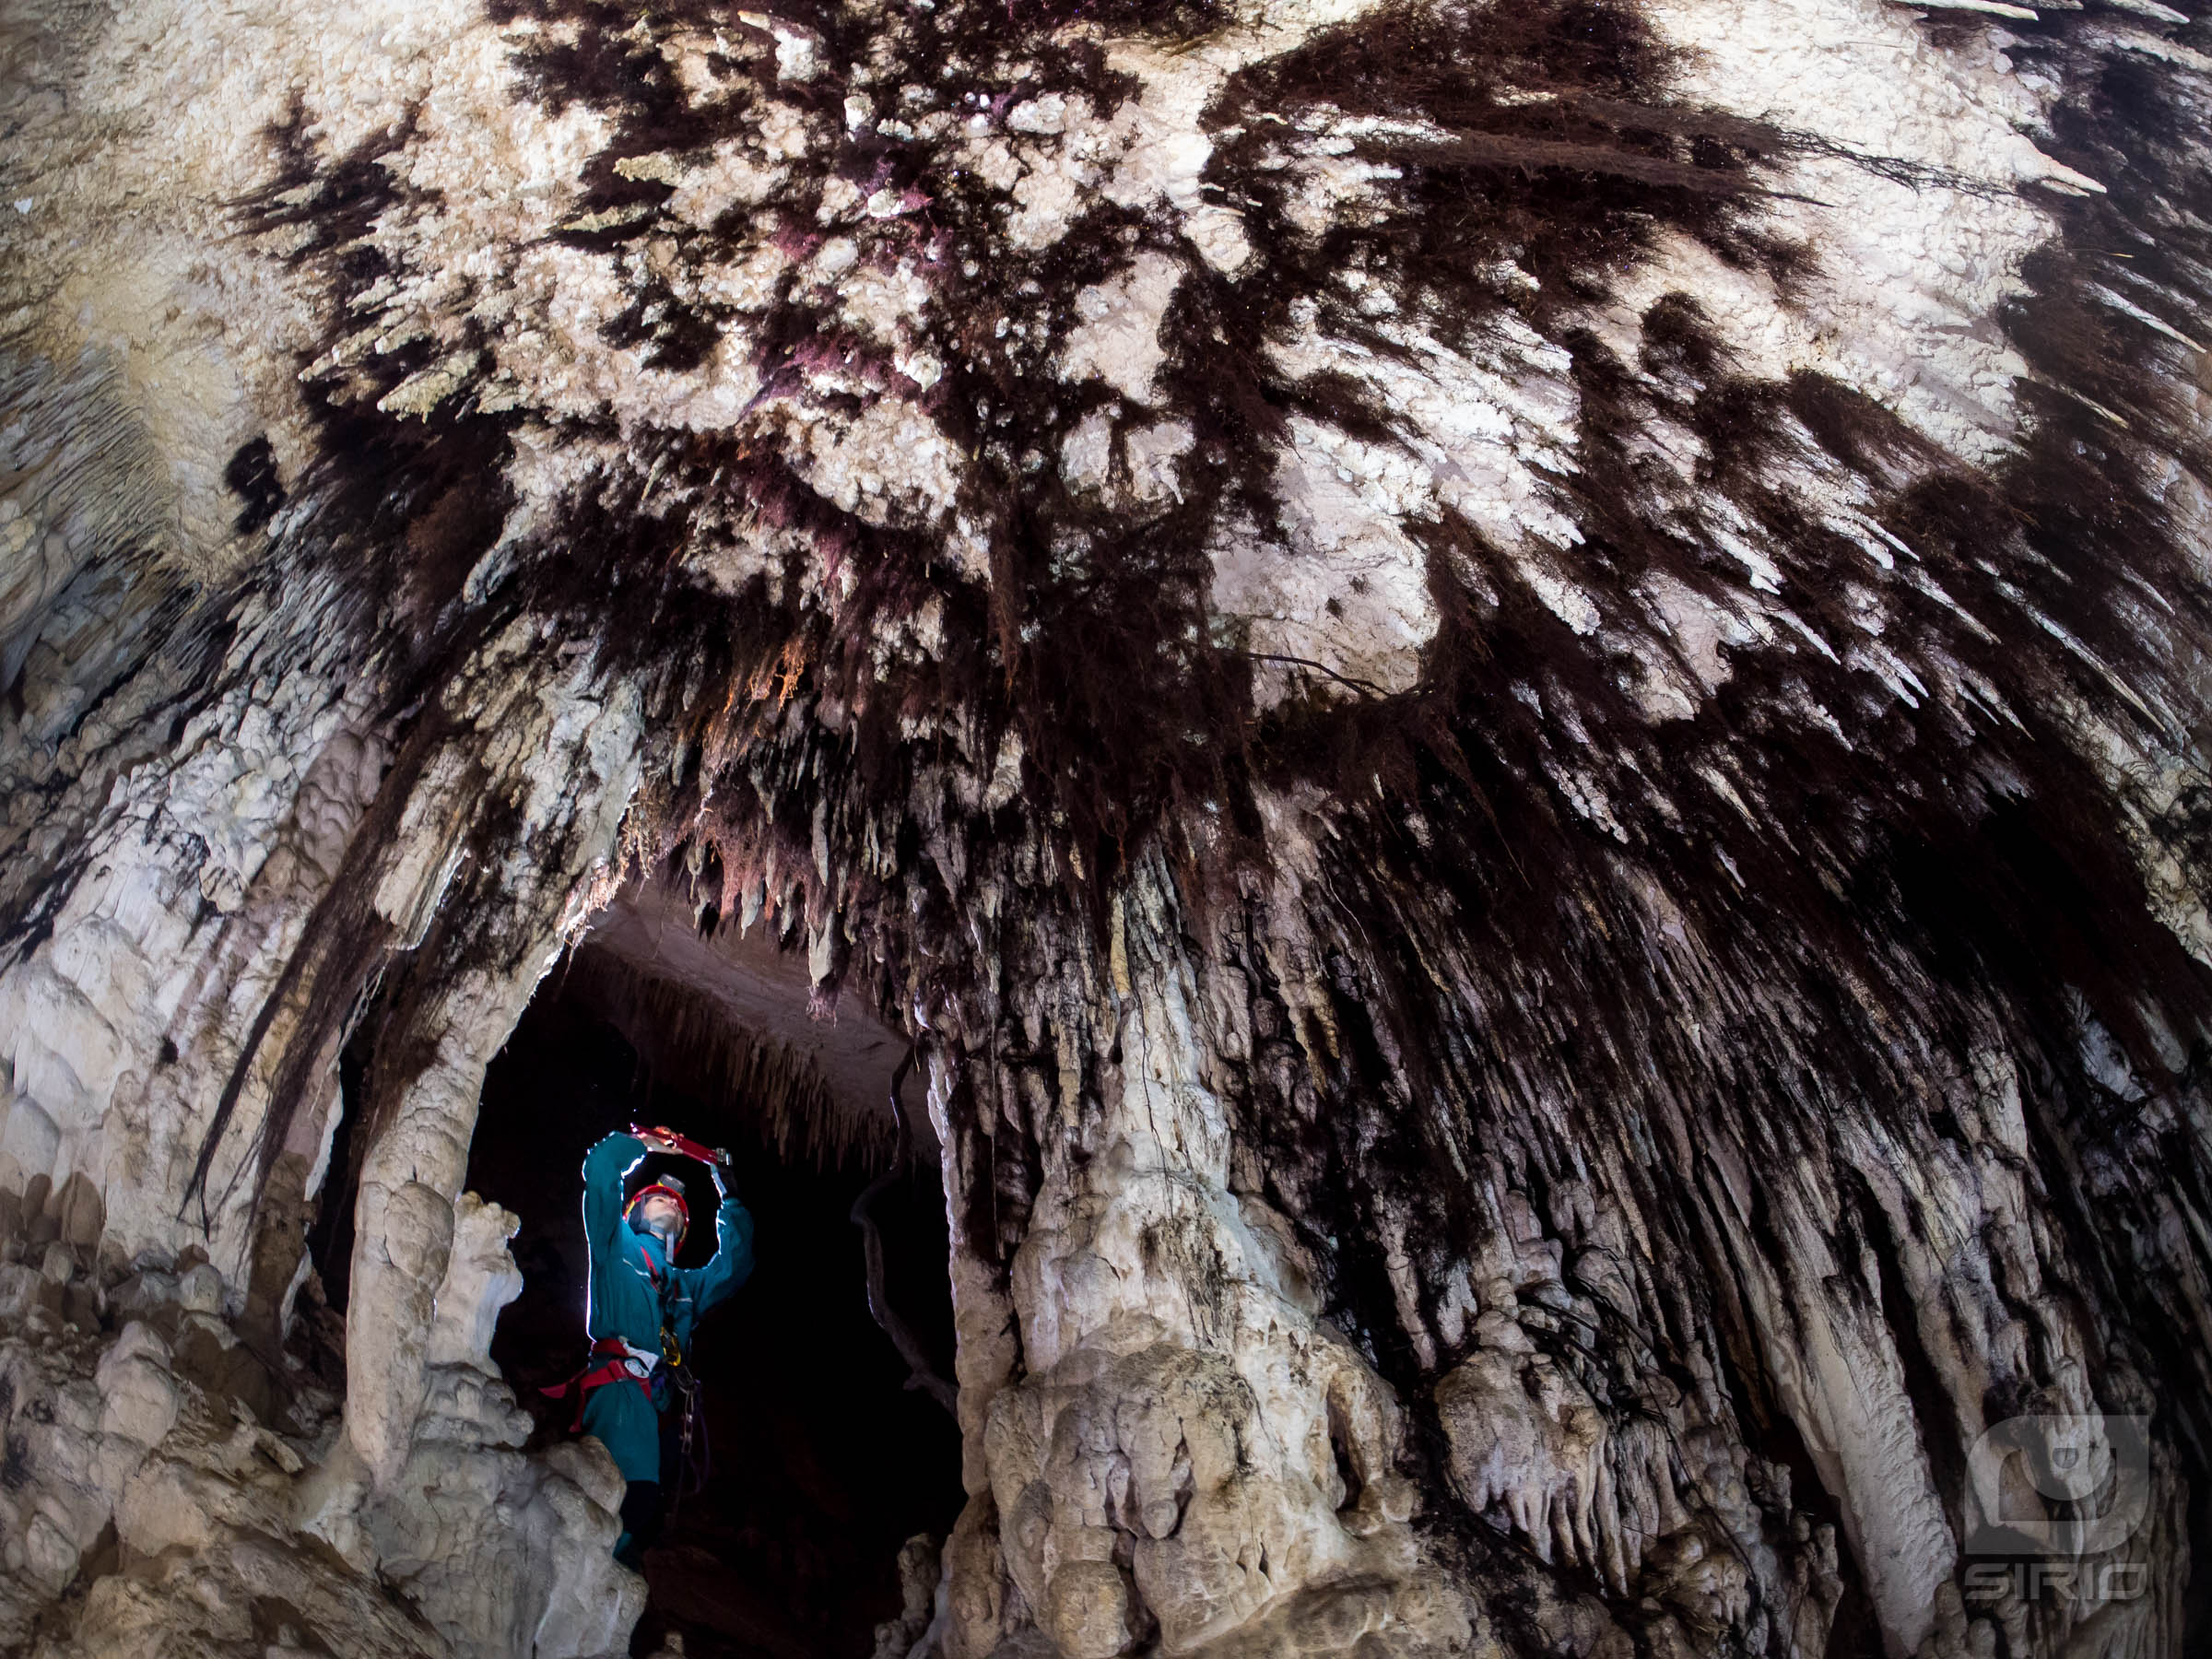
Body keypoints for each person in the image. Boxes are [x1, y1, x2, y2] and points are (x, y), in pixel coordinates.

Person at [563, 1124, 754, 1568]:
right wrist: (643, 1145)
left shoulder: (685, 1286)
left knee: (643, 1515)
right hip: (617, 1391)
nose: (670, 1200)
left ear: (683, 1231)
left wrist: (730, 1195)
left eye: (680, 1208)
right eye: (657, 1197)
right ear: (634, 1211)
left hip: (659, 1411)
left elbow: (736, 1264)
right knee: (616, 1499)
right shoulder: (614, 1244)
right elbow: (601, 1168)